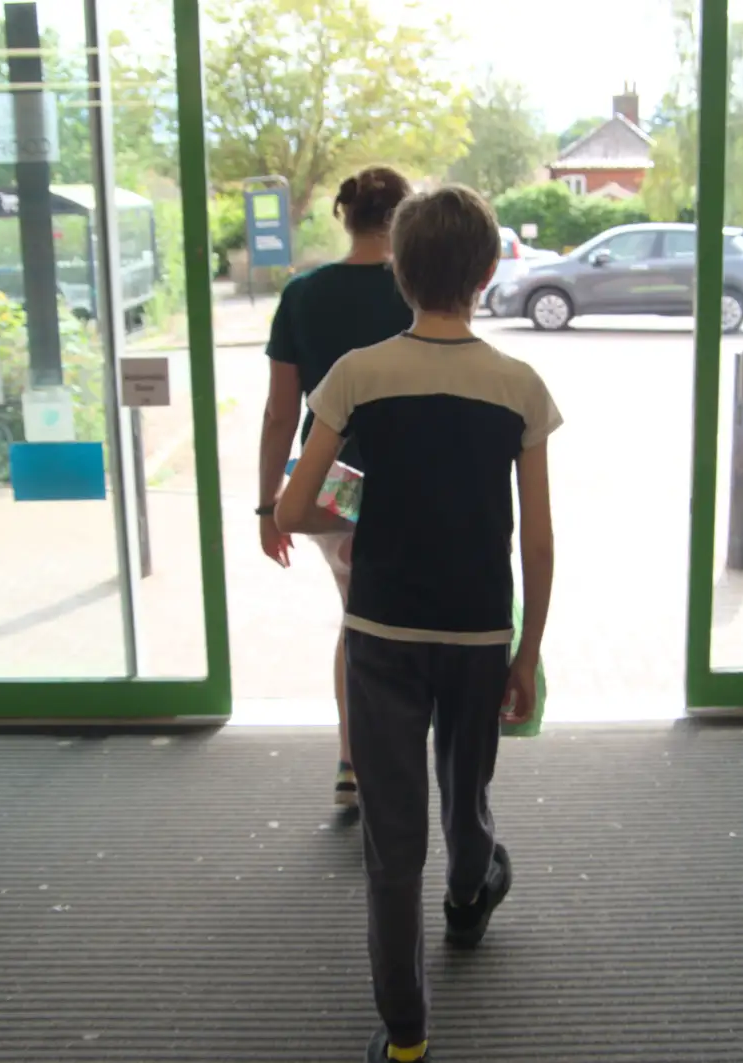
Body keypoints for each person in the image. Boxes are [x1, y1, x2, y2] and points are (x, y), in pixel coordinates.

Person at [276, 185, 559, 1063]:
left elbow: (293, 506)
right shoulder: (519, 386)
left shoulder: (356, 375)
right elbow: (540, 541)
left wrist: (365, 512)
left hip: (382, 635)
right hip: (478, 636)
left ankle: (406, 1036)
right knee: (464, 794)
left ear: (398, 270)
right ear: (486, 274)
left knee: (393, 841)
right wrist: (528, 651)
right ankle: (470, 897)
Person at [257, 166, 414, 808]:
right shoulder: (420, 290)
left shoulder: (303, 294)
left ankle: (353, 761)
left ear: (345, 219)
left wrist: (269, 506)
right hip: (411, 487)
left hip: (328, 488)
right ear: (403, 218)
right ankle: (395, 759)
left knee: (358, 618)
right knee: (405, 623)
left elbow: (279, 412)